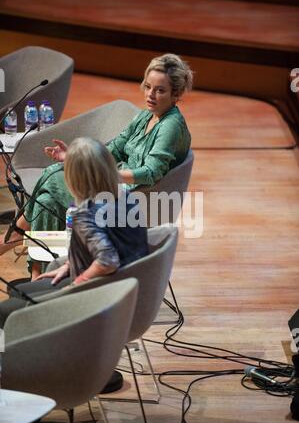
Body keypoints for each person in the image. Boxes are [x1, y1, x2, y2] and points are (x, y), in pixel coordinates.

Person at [0, 53, 193, 278]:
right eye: (148, 86)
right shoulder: (145, 116)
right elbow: (116, 148)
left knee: (54, 175)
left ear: (175, 94)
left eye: (160, 90)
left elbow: (151, 173)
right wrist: (77, 158)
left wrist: (107, 174)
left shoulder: (170, 126)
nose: (150, 95)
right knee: (46, 202)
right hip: (114, 179)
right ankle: (37, 276)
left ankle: (17, 232)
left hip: (131, 194)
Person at [0, 137, 148, 328]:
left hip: (96, 296)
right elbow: (113, 245)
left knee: (5, 311)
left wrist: (75, 284)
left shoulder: (85, 214)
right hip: (127, 290)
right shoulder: (126, 197)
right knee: (18, 290)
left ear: (74, 177)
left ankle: (32, 352)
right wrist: (69, 265)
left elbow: (108, 260)